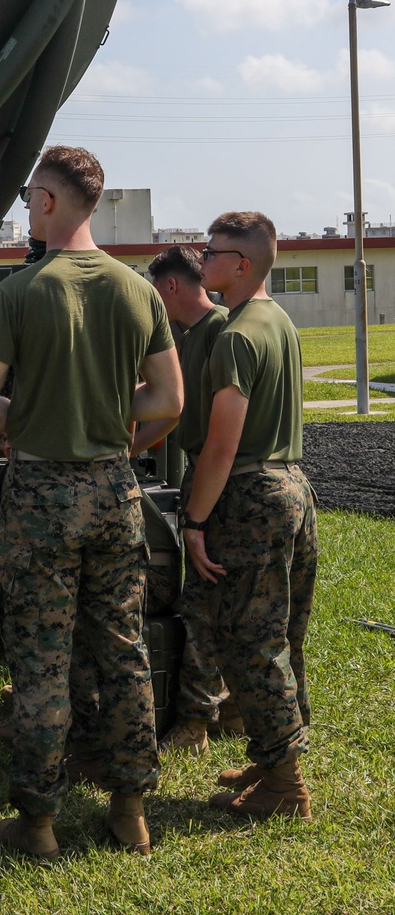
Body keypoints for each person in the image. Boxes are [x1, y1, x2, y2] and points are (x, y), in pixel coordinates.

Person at [0, 146, 182, 860]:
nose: (28, 209)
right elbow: (169, 400)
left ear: (50, 202)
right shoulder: (136, 289)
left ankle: (39, 822)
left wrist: (26, 420)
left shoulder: (18, 292)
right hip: (116, 491)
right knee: (122, 652)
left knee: (41, 662)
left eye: (31, 198)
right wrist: (119, 421)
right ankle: (129, 810)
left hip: (39, 497)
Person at [180, 212, 316, 821]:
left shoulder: (236, 336)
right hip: (292, 486)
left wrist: (194, 520)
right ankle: (270, 759)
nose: (200, 260)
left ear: (241, 265)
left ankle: (285, 787)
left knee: (251, 641)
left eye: (210, 252)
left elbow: (221, 443)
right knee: (280, 634)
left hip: (250, 493)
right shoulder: (277, 320)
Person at [131, 244, 241, 753]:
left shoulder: (222, 332)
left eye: (156, 290)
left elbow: (214, 425)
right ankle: (229, 708)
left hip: (224, 475)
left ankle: (199, 719)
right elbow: (163, 399)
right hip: (207, 469)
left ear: (170, 287)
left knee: (204, 595)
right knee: (215, 594)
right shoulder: (186, 334)